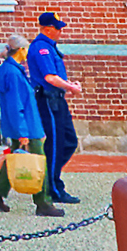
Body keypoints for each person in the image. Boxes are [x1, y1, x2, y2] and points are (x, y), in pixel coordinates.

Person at [28, 11, 81, 211]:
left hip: (57, 100)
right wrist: (72, 88)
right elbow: (50, 77)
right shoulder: (41, 48)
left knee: (68, 141)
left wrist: (68, 85)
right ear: (48, 29)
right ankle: (52, 189)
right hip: (48, 101)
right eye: (58, 28)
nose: (61, 31)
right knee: (56, 145)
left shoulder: (50, 47)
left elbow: (56, 77)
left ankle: (53, 182)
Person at [0, 35, 44, 212]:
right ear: (21, 50)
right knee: (39, 162)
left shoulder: (12, 70)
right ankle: (43, 202)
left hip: (24, 125)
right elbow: (15, 104)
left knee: (14, 159)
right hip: (26, 127)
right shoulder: (12, 72)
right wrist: (23, 133)